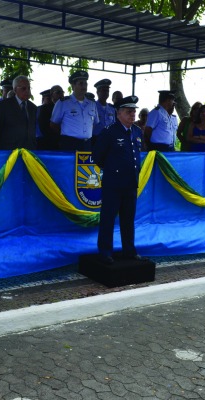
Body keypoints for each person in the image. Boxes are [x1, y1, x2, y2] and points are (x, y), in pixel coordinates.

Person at [92, 96, 142, 264]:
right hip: (114, 183)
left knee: (128, 220)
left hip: (130, 184)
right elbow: (98, 156)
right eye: (129, 112)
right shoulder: (109, 132)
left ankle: (129, 250)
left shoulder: (136, 131)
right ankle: (105, 252)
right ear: (119, 113)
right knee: (108, 219)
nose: (132, 115)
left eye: (134, 112)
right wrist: (113, 170)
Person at [50, 70, 99, 151]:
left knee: (86, 164)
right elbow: (53, 124)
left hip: (87, 144)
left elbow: (94, 123)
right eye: (80, 83)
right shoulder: (63, 103)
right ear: (73, 86)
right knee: (69, 164)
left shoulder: (92, 104)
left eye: (85, 83)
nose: (84, 86)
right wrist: (65, 134)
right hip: (69, 144)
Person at [0, 75, 37, 150]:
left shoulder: (33, 107)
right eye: (24, 88)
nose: (27, 91)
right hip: (9, 151)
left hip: (28, 152)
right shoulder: (4, 105)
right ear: (15, 90)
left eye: (29, 88)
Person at [37, 85, 64, 150]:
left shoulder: (67, 107)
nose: (61, 95)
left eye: (62, 92)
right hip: (49, 144)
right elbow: (44, 127)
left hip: (64, 143)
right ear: (52, 95)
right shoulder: (45, 108)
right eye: (58, 92)